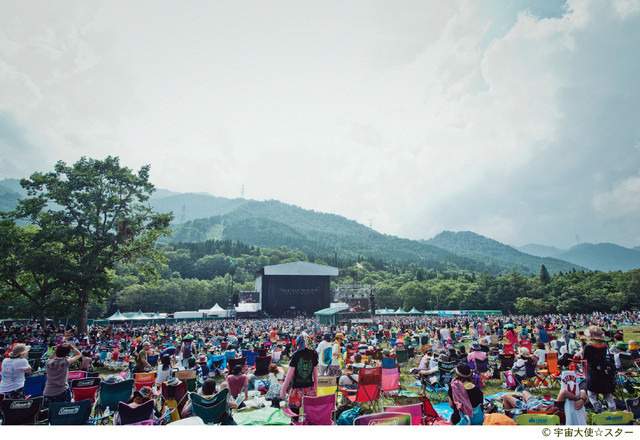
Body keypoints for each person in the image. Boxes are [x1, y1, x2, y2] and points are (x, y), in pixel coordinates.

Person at [280, 331, 318, 419]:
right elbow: (315, 375)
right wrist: (316, 389)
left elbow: (289, 375)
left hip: (296, 389)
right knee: (309, 415)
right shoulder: (314, 354)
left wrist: (283, 392)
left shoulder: (296, 355)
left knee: (295, 416)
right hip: (309, 389)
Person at [582, 325, 616, 413]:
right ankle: (613, 412)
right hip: (604, 371)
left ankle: (600, 412)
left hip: (593, 372)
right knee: (608, 394)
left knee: (592, 395)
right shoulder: (604, 346)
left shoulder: (588, 347)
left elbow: (584, 358)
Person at [43, 343, 83, 408]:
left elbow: (49, 358)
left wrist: (55, 352)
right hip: (62, 391)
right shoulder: (65, 362)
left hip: (48, 391)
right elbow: (79, 354)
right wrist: (72, 347)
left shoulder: (48, 362)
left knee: (48, 414)